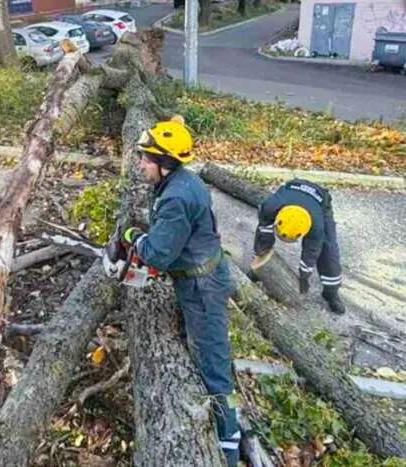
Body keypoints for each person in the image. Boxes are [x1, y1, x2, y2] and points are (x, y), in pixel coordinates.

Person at [120, 116, 240, 466]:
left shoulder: (175, 199)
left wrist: (135, 238)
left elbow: (157, 253)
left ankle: (228, 438)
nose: (141, 164)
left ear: (165, 162)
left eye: (146, 158)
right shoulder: (182, 181)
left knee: (212, 359)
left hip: (201, 286)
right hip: (197, 275)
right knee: (207, 347)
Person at [253, 179, 345, 314]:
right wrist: (262, 252)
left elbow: (311, 252)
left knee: (329, 248)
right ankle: (256, 271)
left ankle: (331, 292)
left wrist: (304, 275)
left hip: (320, 200)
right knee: (263, 237)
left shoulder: (317, 226)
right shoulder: (270, 206)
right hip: (293, 188)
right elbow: (264, 228)